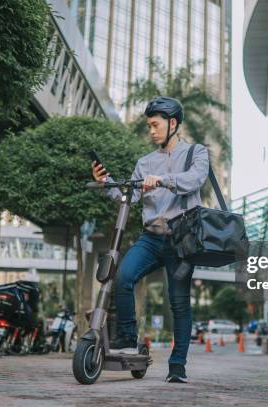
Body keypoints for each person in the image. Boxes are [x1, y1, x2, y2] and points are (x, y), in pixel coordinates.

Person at [91, 96, 209, 383]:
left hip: (182, 239)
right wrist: (105, 183)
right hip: (151, 237)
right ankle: (128, 338)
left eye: (155, 125)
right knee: (122, 276)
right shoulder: (144, 162)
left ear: (173, 123)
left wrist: (163, 179)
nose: (151, 131)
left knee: (179, 303)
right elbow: (127, 198)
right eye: (149, 126)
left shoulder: (196, 153)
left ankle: (177, 366)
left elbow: (195, 180)